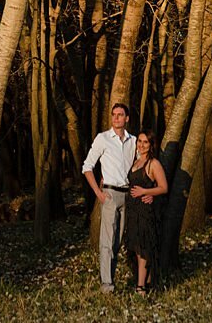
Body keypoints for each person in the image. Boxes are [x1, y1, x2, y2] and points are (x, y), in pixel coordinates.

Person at [81, 101, 138, 291]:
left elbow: (139, 166)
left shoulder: (133, 141)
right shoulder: (103, 138)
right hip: (110, 194)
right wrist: (99, 193)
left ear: (127, 118)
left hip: (127, 194)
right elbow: (87, 167)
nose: (116, 118)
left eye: (120, 115)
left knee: (117, 241)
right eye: (113, 115)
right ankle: (107, 284)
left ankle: (111, 278)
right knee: (107, 240)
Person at [123, 131, 170, 294]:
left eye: (145, 142)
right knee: (135, 247)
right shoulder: (135, 161)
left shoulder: (153, 163)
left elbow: (164, 187)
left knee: (143, 247)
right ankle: (147, 281)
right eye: (140, 141)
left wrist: (146, 191)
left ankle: (140, 286)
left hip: (145, 211)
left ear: (151, 145)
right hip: (132, 211)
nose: (141, 145)